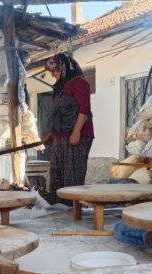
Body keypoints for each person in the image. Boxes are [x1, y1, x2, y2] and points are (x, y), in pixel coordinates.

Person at [42, 53, 94, 204]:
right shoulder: (60, 87)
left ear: (64, 68)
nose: (52, 74)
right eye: (51, 71)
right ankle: (58, 207)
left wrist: (76, 131)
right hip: (61, 138)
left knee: (72, 176)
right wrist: (52, 134)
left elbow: (84, 109)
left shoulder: (79, 82)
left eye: (54, 70)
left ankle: (73, 209)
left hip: (78, 136)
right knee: (57, 175)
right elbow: (59, 114)